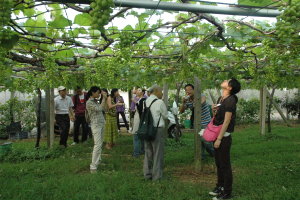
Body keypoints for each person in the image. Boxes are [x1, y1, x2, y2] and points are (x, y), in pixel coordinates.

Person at [209, 78, 241, 200]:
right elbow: (218, 117)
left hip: (223, 137)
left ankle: (227, 192)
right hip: (217, 134)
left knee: (225, 164)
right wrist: (214, 110)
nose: (224, 80)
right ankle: (220, 186)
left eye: (228, 81)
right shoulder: (221, 99)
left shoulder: (230, 100)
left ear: (230, 87)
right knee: (218, 163)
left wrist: (219, 139)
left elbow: (227, 121)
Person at [180, 84, 214, 157]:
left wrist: (195, 102)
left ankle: (213, 153)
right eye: (186, 90)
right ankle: (201, 156)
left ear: (194, 90)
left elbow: (203, 101)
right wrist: (183, 103)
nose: (188, 91)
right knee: (199, 140)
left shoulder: (200, 95)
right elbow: (181, 111)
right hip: (197, 123)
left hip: (206, 122)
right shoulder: (188, 100)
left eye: (190, 89)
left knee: (206, 140)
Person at [143, 85, 168, 181]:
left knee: (148, 152)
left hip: (146, 129)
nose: (162, 93)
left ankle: (147, 174)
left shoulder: (146, 101)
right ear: (156, 91)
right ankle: (157, 176)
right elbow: (165, 116)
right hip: (157, 129)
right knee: (158, 153)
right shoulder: (159, 102)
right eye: (161, 91)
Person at [86, 86, 107, 173]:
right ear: (93, 93)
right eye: (98, 92)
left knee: (100, 144)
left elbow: (104, 109)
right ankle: (93, 166)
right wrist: (104, 99)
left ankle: (98, 161)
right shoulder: (89, 102)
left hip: (101, 124)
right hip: (96, 125)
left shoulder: (95, 101)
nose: (99, 94)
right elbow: (99, 109)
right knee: (97, 145)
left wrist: (103, 99)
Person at [132, 87, 147, 157]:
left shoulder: (143, 100)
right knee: (141, 136)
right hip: (138, 119)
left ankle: (136, 153)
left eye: (139, 90)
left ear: (143, 93)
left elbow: (141, 110)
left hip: (139, 120)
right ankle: (142, 150)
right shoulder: (140, 99)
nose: (137, 91)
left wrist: (135, 102)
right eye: (137, 90)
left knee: (136, 135)